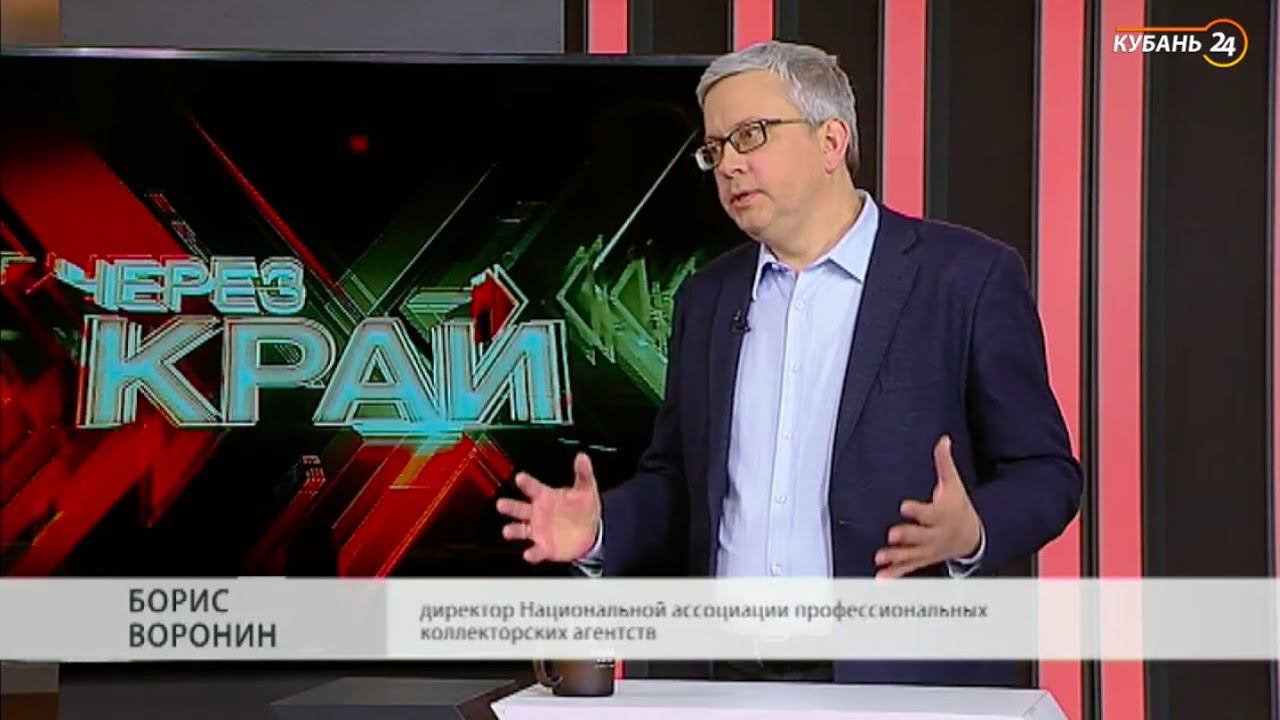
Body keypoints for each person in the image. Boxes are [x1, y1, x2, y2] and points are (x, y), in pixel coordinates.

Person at [496, 41, 1081, 686]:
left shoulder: (966, 278)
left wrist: (973, 531)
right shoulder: (706, 298)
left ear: (831, 142)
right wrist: (603, 526)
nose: (728, 165)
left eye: (751, 135)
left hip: (903, 682)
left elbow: (1046, 474)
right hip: (723, 681)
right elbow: (682, 483)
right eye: (715, 148)